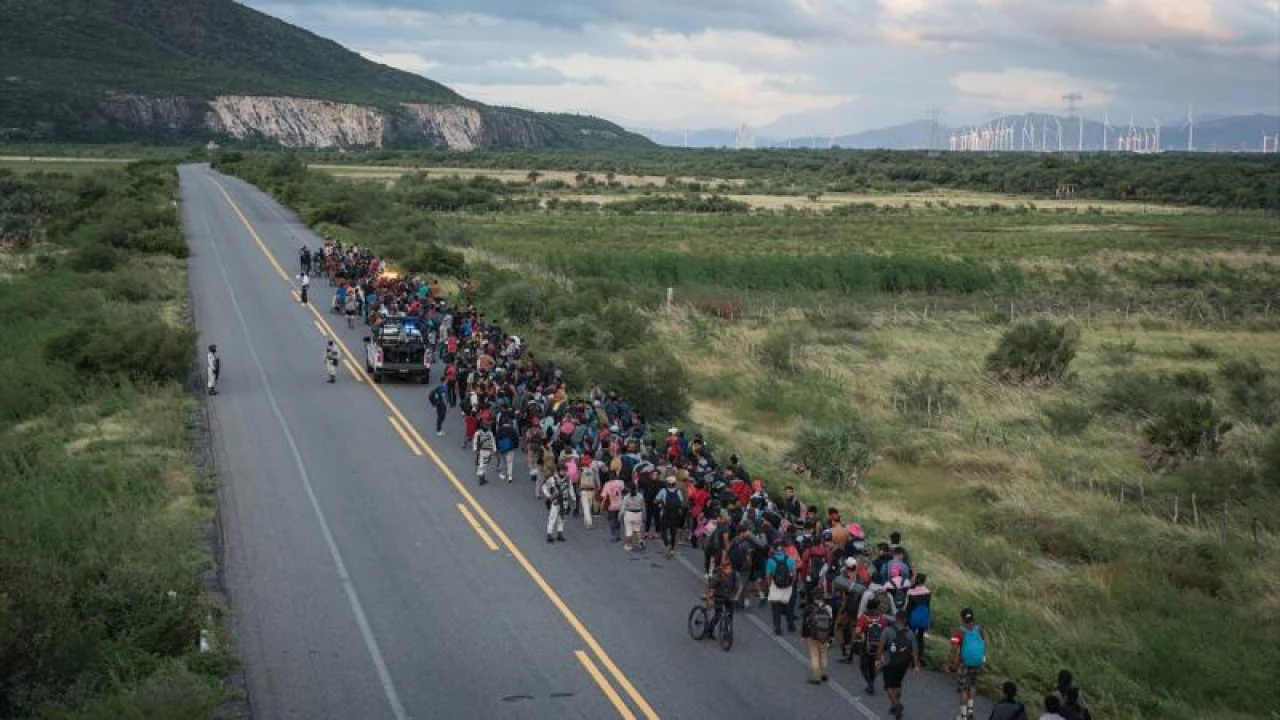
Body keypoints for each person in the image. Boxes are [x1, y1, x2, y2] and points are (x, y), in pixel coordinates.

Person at [877, 610, 921, 719]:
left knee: (888, 686)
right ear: (906, 620)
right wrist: (916, 665)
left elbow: (881, 647)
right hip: (904, 663)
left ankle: (897, 705)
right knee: (897, 684)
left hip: (890, 662)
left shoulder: (888, 630)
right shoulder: (910, 633)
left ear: (896, 618)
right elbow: (915, 650)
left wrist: (878, 660)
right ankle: (893, 706)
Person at [948, 608, 990, 720]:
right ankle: (970, 711)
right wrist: (983, 655)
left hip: (964, 663)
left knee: (963, 689)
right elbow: (986, 642)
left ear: (962, 619)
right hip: (977, 662)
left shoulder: (959, 632)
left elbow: (954, 650)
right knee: (972, 685)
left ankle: (963, 716)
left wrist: (950, 664)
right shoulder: (980, 629)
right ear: (972, 618)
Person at [854, 598, 888, 696]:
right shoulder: (882, 619)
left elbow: (857, 632)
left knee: (864, 666)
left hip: (866, 645)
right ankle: (871, 682)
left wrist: (860, 637)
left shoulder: (863, 618)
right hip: (878, 646)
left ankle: (869, 683)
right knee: (873, 665)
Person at [801, 592, 833, 685]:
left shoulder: (808, 608)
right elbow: (831, 622)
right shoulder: (827, 608)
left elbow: (804, 623)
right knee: (823, 654)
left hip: (813, 635)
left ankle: (816, 676)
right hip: (825, 635)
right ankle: (824, 673)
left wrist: (804, 636)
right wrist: (830, 636)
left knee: (815, 655)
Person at [765, 543, 797, 635]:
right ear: (783, 550)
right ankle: (791, 626)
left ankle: (778, 628)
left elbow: (768, 576)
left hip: (775, 586)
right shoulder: (790, 559)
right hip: (787, 586)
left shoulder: (770, 561)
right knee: (789, 607)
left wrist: (769, 586)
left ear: (774, 550)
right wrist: (791, 583)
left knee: (775, 608)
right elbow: (794, 574)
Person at [905, 573, 933, 667]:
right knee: (920, 638)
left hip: (913, 617)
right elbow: (928, 606)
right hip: (923, 616)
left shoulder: (910, 591)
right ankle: (920, 657)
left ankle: (909, 657)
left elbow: (908, 608)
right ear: (924, 581)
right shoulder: (928, 592)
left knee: (910, 636)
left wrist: (906, 618)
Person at [706, 560, 738, 639]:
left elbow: (736, 586)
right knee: (718, 614)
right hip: (719, 596)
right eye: (727, 569)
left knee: (730, 614)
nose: (729, 570)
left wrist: (735, 595)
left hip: (729, 596)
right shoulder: (717, 577)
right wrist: (709, 600)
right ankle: (710, 630)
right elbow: (709, 588)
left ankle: (727, 631)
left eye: (730, 568)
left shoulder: (733, 574)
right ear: (723, 569)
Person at [655, 476, 686, 557]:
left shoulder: (663, 490)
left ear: (667, 483)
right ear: (674, 483)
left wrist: (660, 502)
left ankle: (667, 544)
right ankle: (672, 549)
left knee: (663, 531)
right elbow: (682, 502)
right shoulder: (678, 491)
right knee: (673, 532)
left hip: (665, 513)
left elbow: (655, 500)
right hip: (675, 514)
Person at [542, 471, 570, 542]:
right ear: (559, 470)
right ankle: (549, 534)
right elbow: (544, 487)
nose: (563, 472)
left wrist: (573, 498)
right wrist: (549, 496)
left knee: (562, 518)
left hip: (564, 501)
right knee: (552, 518)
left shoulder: (567, 479)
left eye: (564, 470)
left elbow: (569, 489)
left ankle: (560, 533)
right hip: (555, 501)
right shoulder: (552, 479)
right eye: (562, 470)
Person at [620, 482, 646, 551]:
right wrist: (644, 515)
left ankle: (628, 545)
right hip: (638, 514)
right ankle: (640, 540)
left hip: (629, 514)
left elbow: (623, 508)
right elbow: (643, 507)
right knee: (637, 529)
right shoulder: (640, 496)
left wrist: (620, 516)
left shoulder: (626, 497)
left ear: (628, 488)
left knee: (629, 531)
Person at [600, 471, 625, 542]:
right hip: (620, 504)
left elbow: (603, 496)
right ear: (616, 476)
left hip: (611, 506)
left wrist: (602, 504)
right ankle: (618, 535)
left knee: (612, 520)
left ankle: (613, 535)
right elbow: (623, 489)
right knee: (618, 520)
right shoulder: (620, 482)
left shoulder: (607, 484)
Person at [577, 455, 599, 529]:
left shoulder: (581, 470)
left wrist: (577, 488)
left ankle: (588, 522)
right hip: (591, 490)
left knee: (586, 507)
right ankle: (587, 522)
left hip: (583, 490)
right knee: (588, 507)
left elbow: (577, 480)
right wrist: (597, 487)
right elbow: (596, 480)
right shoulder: (593, 470)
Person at [472, 420, 496, 485]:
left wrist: (494, 450)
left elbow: (493, 441)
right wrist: (475, 449)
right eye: (485, 425)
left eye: (487, 425)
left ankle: (483, 478)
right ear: (482, 425)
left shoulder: (490, 433)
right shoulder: (478, 433)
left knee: (486, 465)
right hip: (481, 451)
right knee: (481, 465)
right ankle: (481, 479)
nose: (487, 426)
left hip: (488, 451)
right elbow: (475, 441)